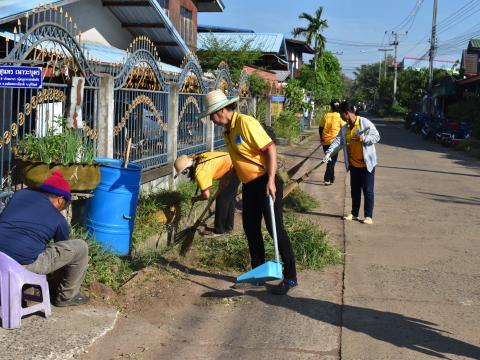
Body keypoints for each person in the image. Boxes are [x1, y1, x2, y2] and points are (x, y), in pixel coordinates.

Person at [200, 89, 297, 295]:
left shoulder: (245, 123)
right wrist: (226, 180)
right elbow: (238, 160)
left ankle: (290, 277)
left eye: (212, 115)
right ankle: (258, 275)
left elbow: (270, 149)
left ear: (222, 111)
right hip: (249, 186)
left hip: (265, 181)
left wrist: (271, 180)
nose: (211, 119)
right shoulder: (227, 131)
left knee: (274, 229)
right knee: (250, 228)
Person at [0, 171, 89, 307]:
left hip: (1, 258)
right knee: (80, 247)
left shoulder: (19, 195)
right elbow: (62, 259)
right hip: (22, 264)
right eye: (64, 205)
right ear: (60, 199)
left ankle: (29, 291)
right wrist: (53, 282)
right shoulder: (59, 220)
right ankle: (65, 297)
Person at [323, 101, 380, 225]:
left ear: (347, 113)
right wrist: (328, 154)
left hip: (367, 164)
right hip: (354, 164)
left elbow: (377, 136)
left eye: (341, 115)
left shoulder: (364, 122)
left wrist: (364, 138)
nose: (341, 117)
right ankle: (354, 213)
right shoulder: (345, 128)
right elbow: (337, 142)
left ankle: (368, 216)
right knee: (354, 190)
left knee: (368, 190)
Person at [174, 151, 240, 236]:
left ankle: (219, 231)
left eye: (183, 173)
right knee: (229, 199)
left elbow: (206, 195)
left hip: (233, 168)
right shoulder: (199, 158)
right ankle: (228, 228)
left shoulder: (200, 172)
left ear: (187, 169)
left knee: (222, 199)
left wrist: (196, 198)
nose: (185, 175)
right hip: (236, 162)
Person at [319, 99, 345, 185]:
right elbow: (344, 128)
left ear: (331, 106)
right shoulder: (339, 116)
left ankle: (331, 178)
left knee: (330, 160)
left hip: (325, 142)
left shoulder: (326, 115)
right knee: (331, 161)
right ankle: (327, 178)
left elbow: (320, 128)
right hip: (335, 142)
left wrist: (321, 138)